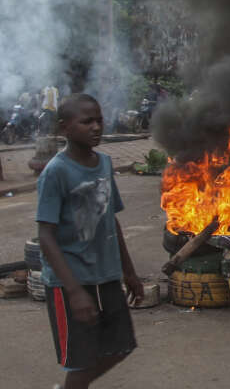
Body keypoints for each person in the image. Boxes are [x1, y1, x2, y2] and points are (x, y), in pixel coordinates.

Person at [36, 94, 143, 388]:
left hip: (106, 276)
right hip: (71, 280)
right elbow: (45, 235)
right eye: (86, 122)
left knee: (121, 346)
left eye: (99, 120)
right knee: (82, 359)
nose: (96, 127)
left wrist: (129, 272)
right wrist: (74, 292)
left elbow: (112, 220)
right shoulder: (56, 172)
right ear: (64, 128)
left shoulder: (106, 164)